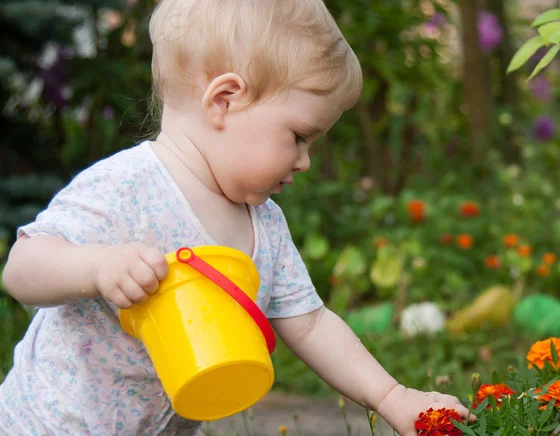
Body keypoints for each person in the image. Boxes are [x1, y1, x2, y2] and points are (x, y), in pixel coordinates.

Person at [0, 0, 473, 434]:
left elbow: (309, 324)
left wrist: (393, 396)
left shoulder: (263, 224)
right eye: (299, 136)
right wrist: (97, 267)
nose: (305, 160)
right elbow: (22, 268)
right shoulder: (128, 186)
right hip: (49, 424)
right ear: (224, 100)